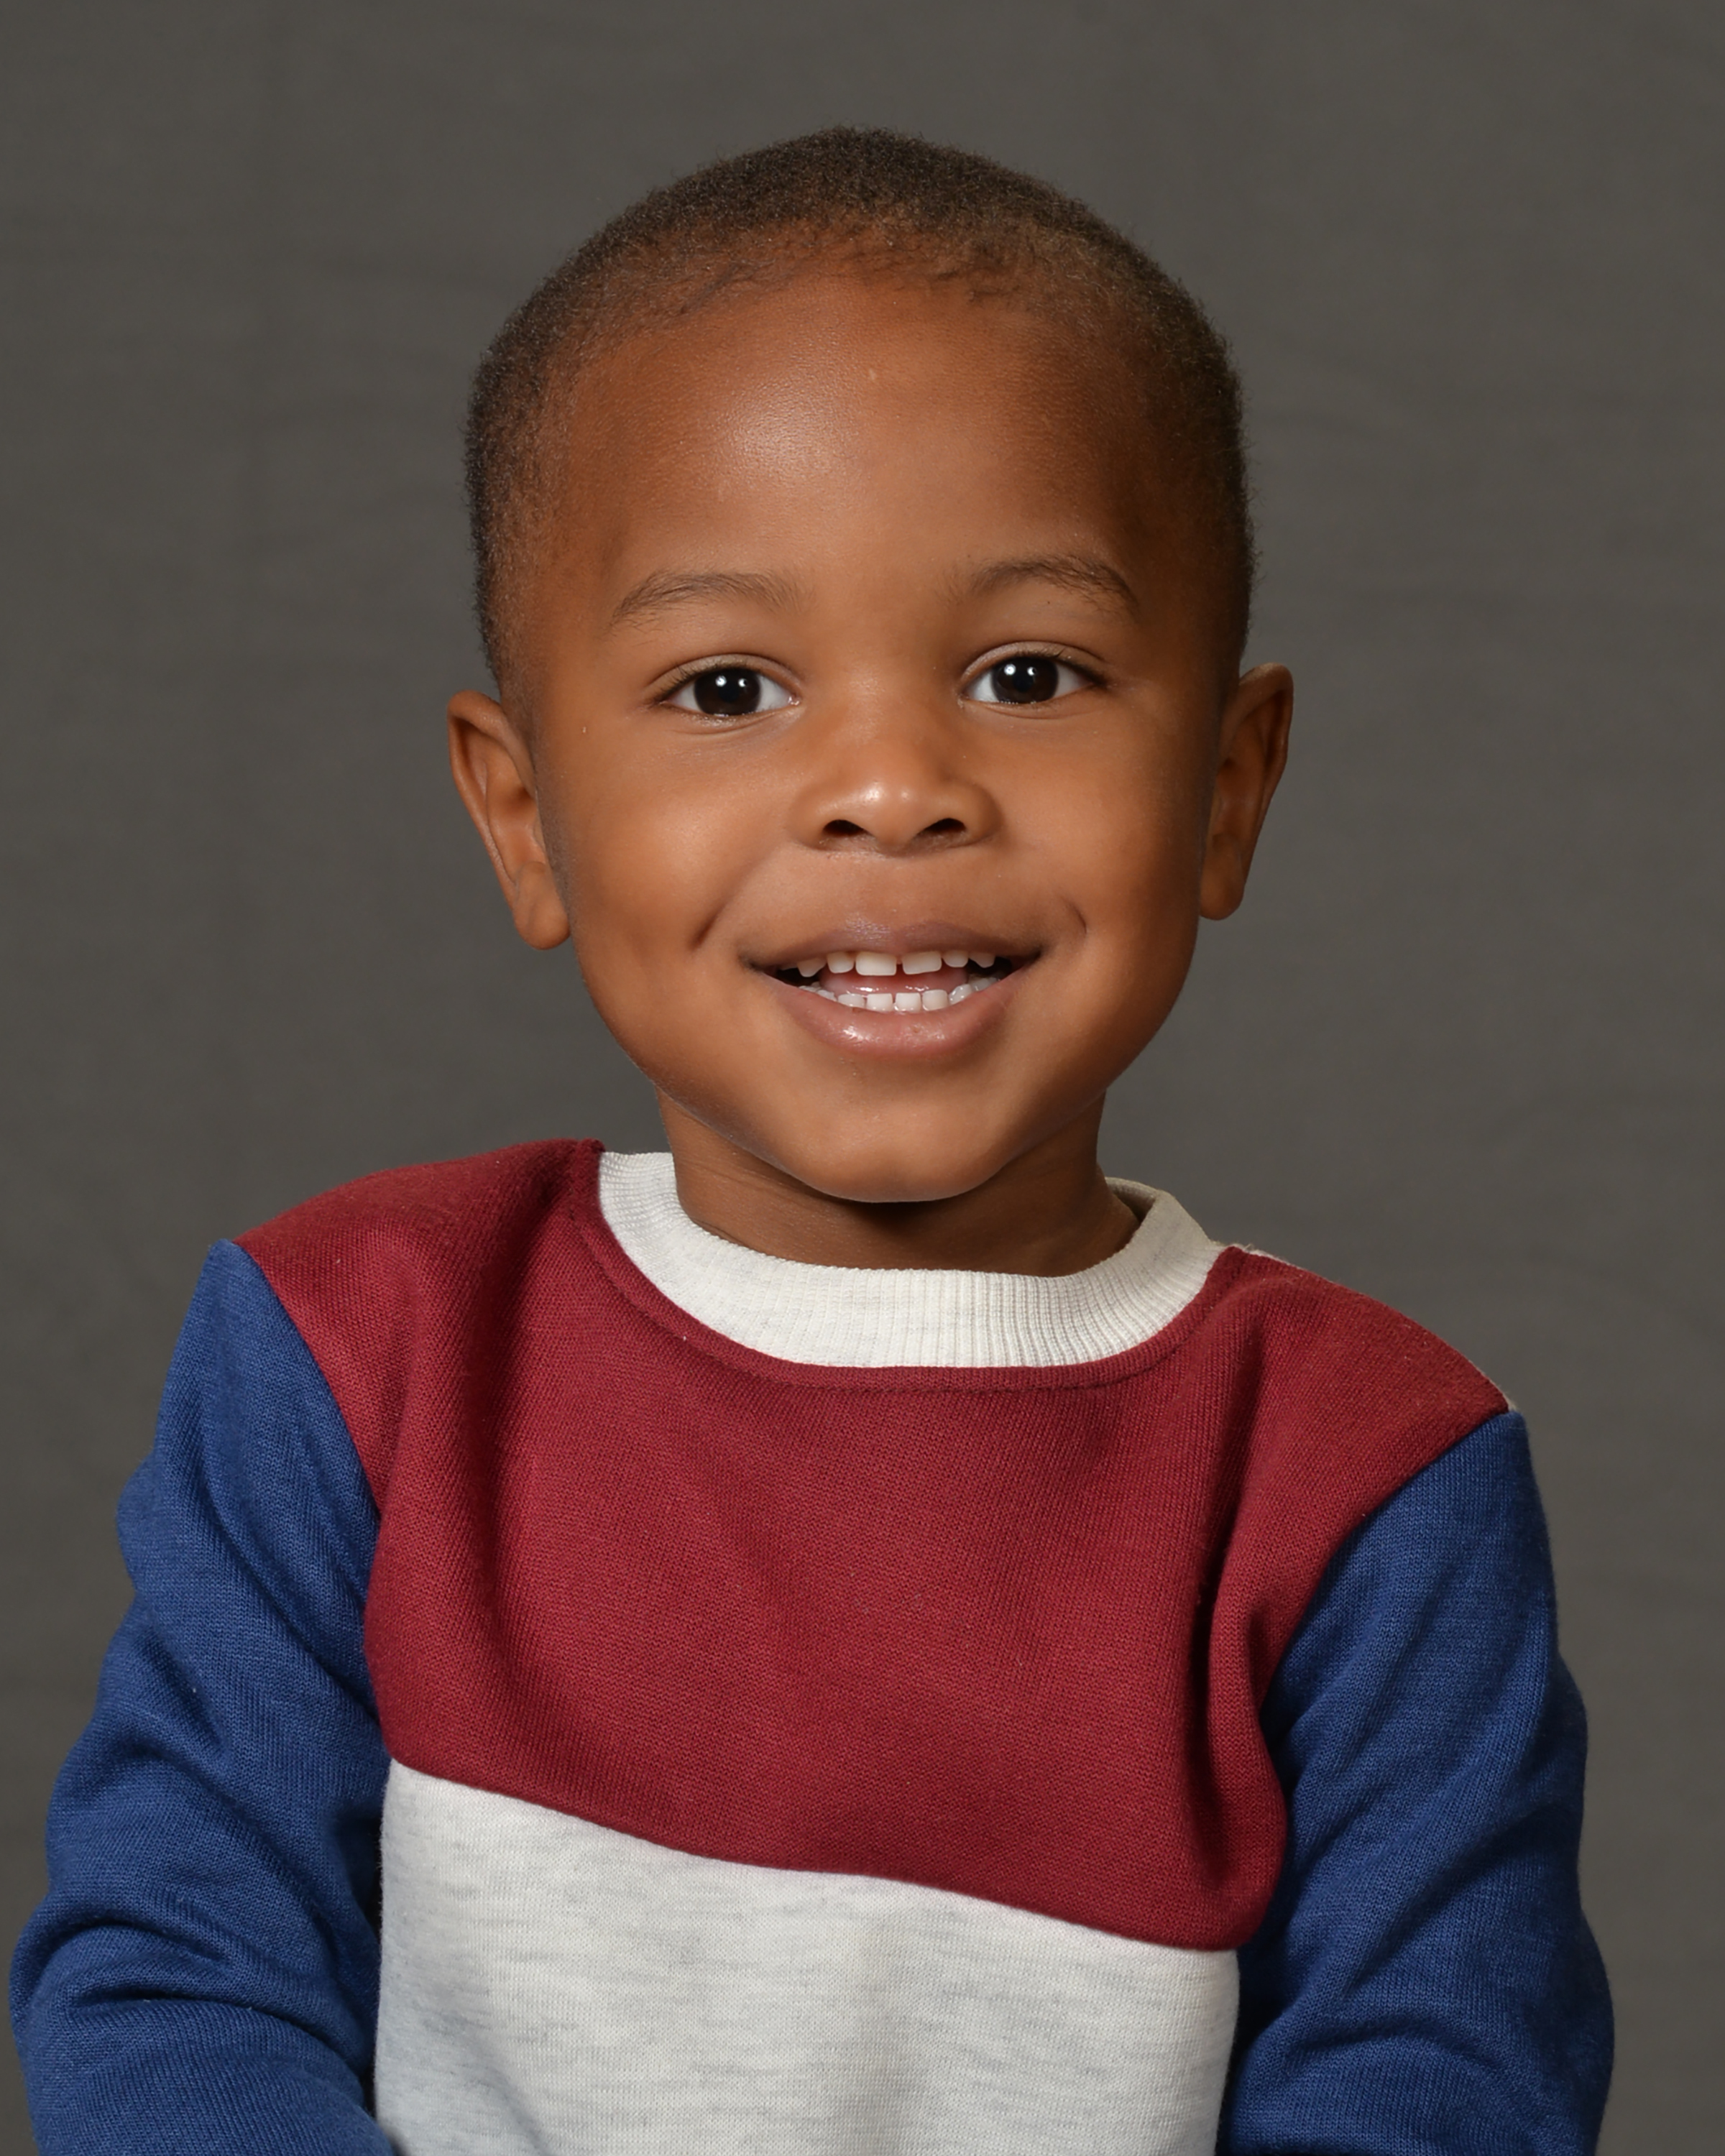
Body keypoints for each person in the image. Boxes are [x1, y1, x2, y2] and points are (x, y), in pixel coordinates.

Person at [10, 128, 1611, 2155]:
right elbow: (177, 1988)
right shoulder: (354, 1355)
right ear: (525, 817)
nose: (888, 786)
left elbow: (1439, 2095)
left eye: (1026, 673)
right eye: (727, 685)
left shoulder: (1371, 1478)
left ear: (1228, 784)